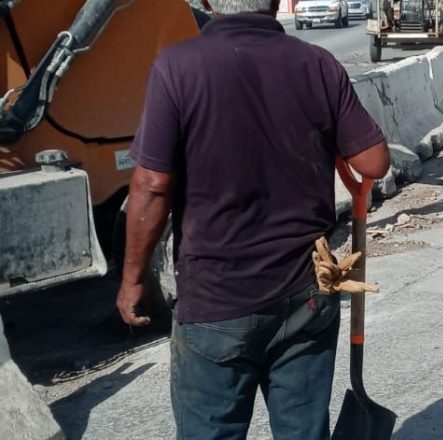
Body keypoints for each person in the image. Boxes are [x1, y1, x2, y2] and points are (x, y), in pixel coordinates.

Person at [115, 0, 390, 438]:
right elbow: (374, 163)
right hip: (307, 294)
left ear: (206, 3)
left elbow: (152, 185)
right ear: (279, 2)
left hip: (217, 301)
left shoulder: (177, 66)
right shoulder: (317, 64)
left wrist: (132, 280)